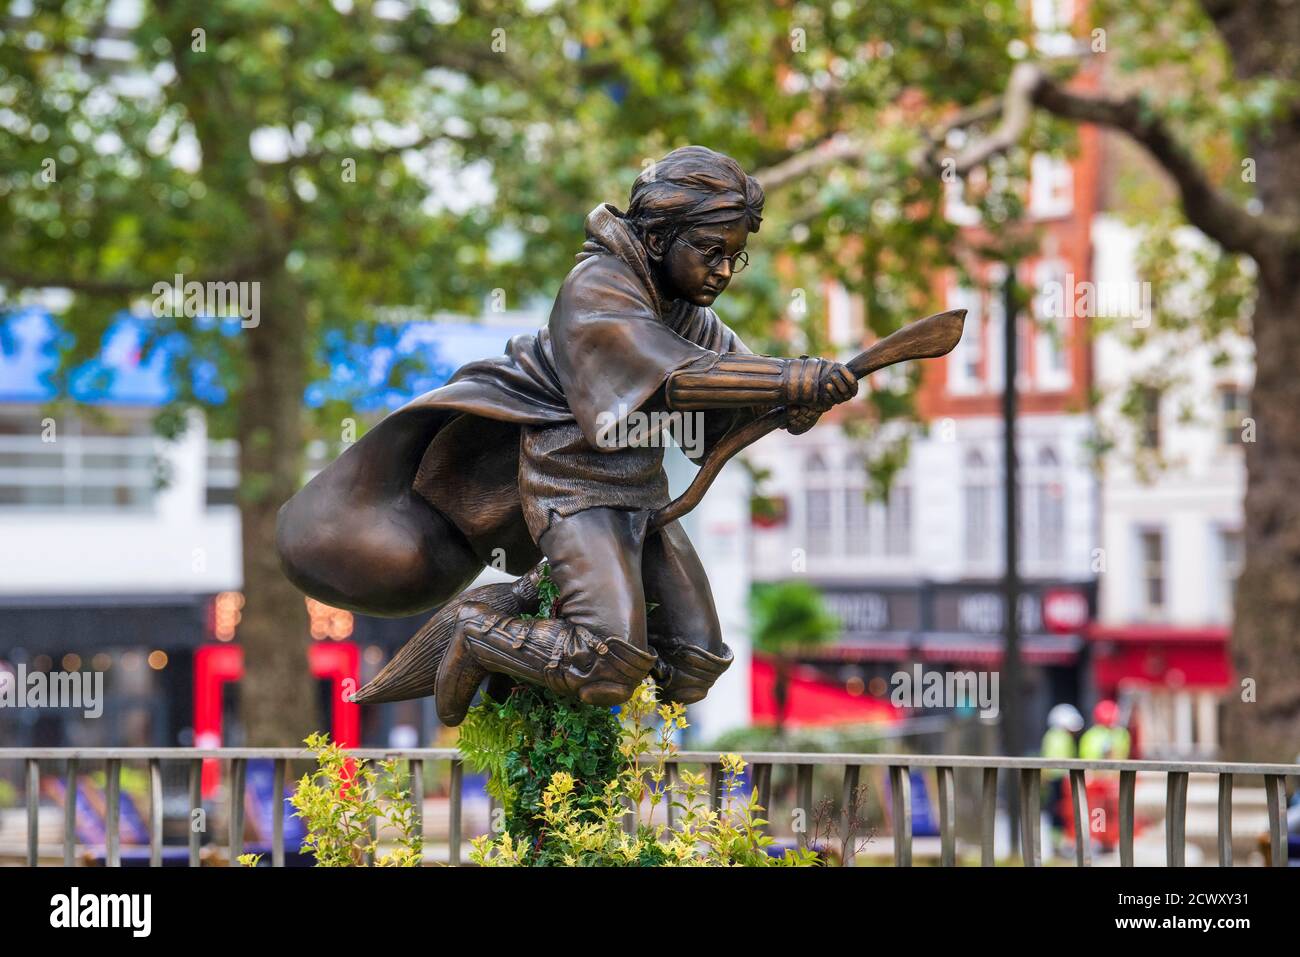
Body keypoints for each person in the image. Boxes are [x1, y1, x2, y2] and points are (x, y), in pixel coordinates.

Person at [277, 146, 858, 719]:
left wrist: (790, 401)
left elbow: (723, 396)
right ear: (659, 240)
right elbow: (674, 377)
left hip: (641, 494)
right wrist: (787, 379)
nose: (725, 270)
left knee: (694, 661)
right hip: (572, 486)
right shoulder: (597, 287)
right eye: (712, 251)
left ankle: (539, 656)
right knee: (606, 661)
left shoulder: (689, 314)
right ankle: (482, 632)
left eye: (737, 257)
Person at [1041, 704, 1084, 855]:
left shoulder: (1053, 735)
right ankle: (1058, 844)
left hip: (1057, 778)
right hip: (1058, 779)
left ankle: (1058, 844)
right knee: (1059, 812)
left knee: (1058, 811)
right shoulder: (1059, 736)